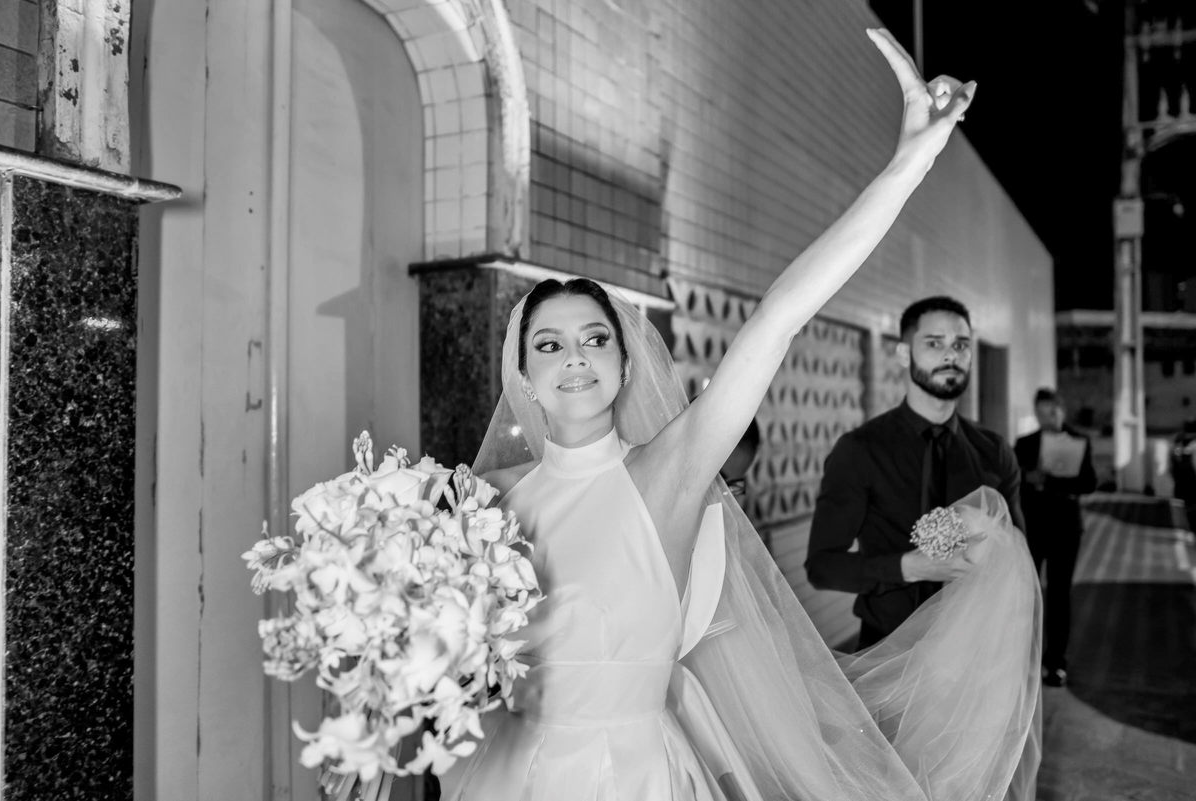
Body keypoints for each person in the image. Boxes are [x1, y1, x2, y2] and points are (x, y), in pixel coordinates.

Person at [438, 29, 1039, 801]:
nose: (575, 357)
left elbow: (780, 315)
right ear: (524, 373)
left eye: (595, 338)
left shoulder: (669, 470)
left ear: (626, 363)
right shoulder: (486, 502)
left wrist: (909, 163)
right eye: (549, 344)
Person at [806, 295, 1026, 650]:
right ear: (904, 354)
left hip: (974, 650)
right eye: (934, 343)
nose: (950, 355)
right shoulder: (860, 450)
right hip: (887, 647)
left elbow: (1018, 553)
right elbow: (822, 567)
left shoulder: (994, 452)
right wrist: (907, 567)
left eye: (961, 345)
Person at [1015, 388, 1097, 688]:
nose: (1046, 418)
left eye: (1051, 412)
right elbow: (1012, 481)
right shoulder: (1025, 444)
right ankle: (1023, 659)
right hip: (1034, 527)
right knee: (1027, 595)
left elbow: (1089, 482)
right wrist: (1028, 477)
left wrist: (1052, 480)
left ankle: (1056, 662)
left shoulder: (1079, 441)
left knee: (1060, 596)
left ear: (1061, 410)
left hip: (1065, 529)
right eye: (1040, 413)